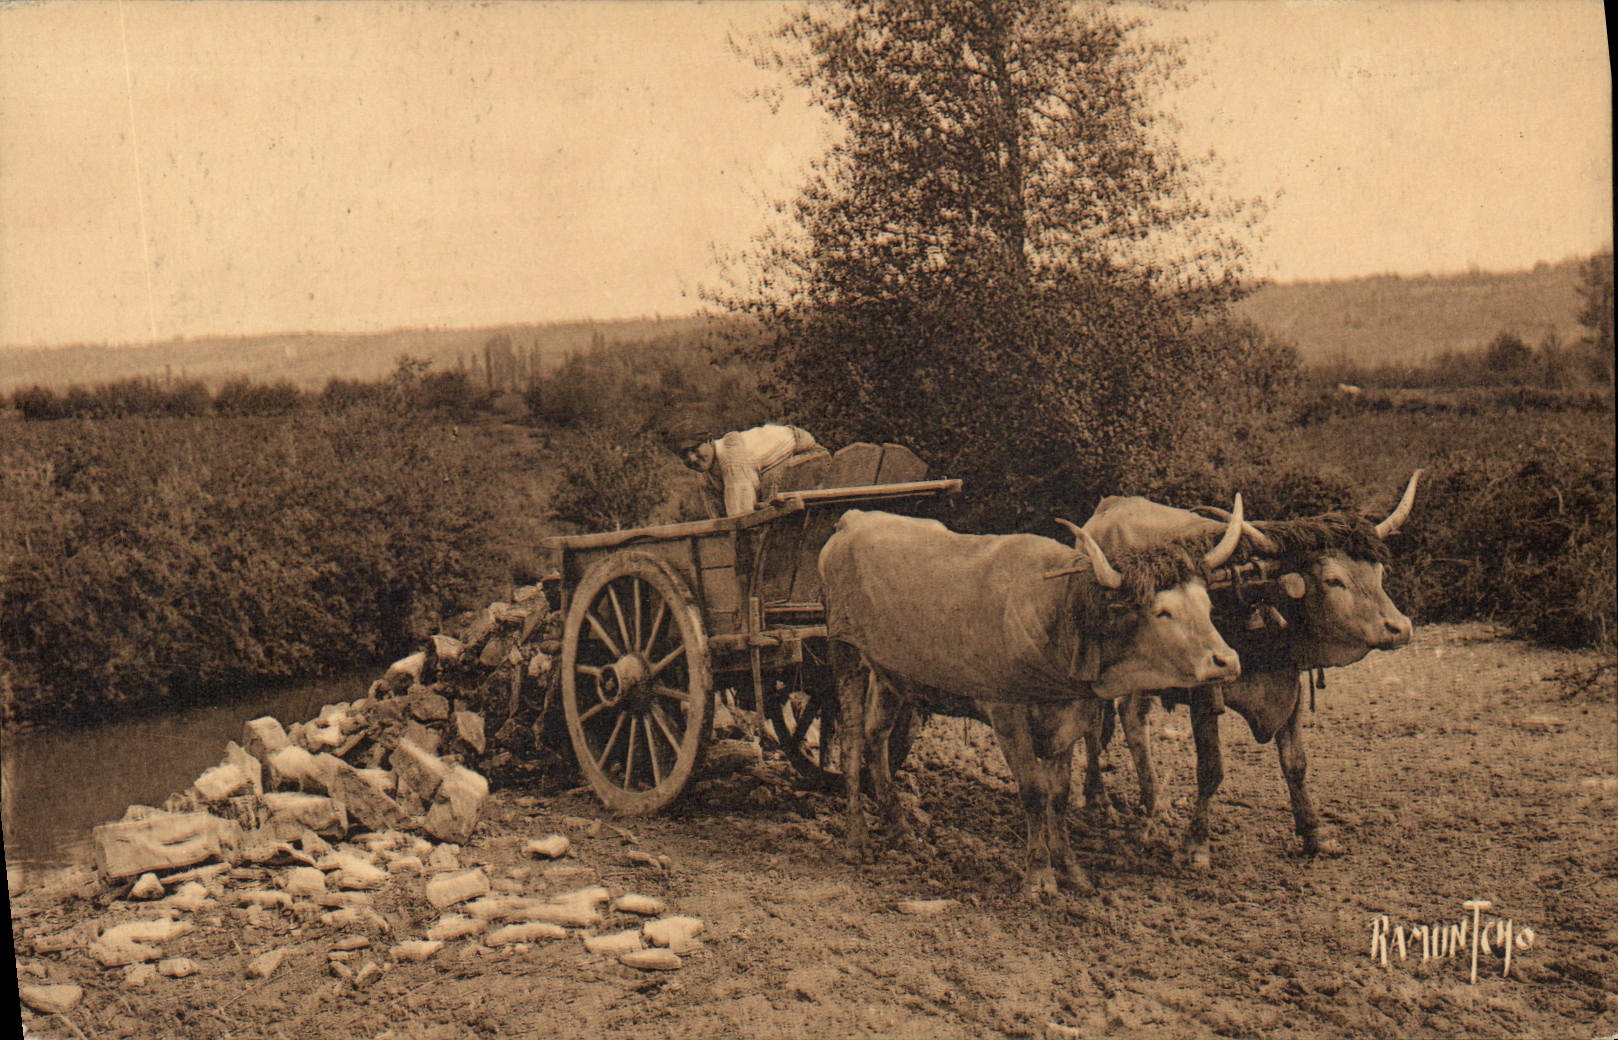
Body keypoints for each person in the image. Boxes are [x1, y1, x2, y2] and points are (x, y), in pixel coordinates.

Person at [669, 421, 827, 517]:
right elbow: (717, 514)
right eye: (684, 455)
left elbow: (741, 514)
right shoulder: (705, 472)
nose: (692, 458)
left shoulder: (731, 457)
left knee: (768, 500)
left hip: (805, 451)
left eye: (695, 449)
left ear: (710, 440)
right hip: (767, 469)